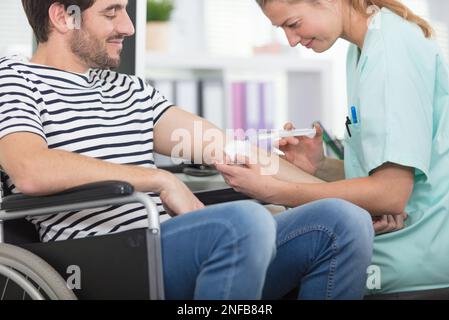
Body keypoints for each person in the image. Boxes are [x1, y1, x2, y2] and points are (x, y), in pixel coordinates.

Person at [0, 0, 374, 299]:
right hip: (99, 259)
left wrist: (347, 200)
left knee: (343, 221)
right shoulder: (15, 79)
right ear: (63, 17)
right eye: (112, 12)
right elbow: (32, 169)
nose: (128, 26)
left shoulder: (128, 89)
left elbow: (231, 150)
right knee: (244, 221)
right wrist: (158, 179)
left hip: (165, 246)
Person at [216, 0, 449, 296]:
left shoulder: (392, 52)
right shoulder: (362, 47)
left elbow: (390, 194)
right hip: (395, 248)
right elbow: (390, 168)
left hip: (412, 261)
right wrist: (320, 165)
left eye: (293, 24)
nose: (291, 40)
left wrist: (271, 189)